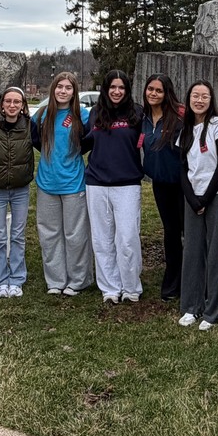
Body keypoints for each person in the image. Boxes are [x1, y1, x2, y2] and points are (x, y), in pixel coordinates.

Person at [31, 71, 94, 296]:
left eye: (68, 88)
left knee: (75, 234)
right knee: (49, 234)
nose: (63, 91)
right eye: (60, 87)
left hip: (73, 183)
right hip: (47, 183)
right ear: (53, 89)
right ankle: (56, 280)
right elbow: (35, 140)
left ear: (74, 92)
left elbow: (91, 140)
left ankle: (79, 279)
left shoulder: (83, 116)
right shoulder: (41, 115)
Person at [85, 69, 145, 304]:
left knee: (128, 237)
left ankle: (131, 287)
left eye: (121, 87)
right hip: (97, 182)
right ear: (106, 89)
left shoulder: (137, 113)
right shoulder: (95, 113)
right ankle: (110, 287)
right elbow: (84, 140)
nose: (117, 91)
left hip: (127, 183)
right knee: (102, 238)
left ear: (127, 90)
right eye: (113, 87)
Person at [176, 80, 218, 331]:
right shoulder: (185, 128)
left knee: (216, 252)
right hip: (192, 197)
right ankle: (191, 306)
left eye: (204, 96)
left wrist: (206, 198)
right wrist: (192, 198)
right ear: (188, 99)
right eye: (195, 95)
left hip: (216, 195)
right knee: (192, 251)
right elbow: (183, 167)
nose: (199, 100)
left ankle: (212, 310)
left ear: (211, 100)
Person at [0, 87, 35, 299]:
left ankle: (16, 279)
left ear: (23, 105)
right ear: (2, 104)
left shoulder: (29, 126)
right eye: (8, 101)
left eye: (17, 102)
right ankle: (1, 280)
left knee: (17, 236)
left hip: (20, 189)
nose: (12, 105)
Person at [141, 73, 185, 302]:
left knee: (187, 232)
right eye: (150, 89)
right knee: (170, 232)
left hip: (182, 184)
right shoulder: (144, 117)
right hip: (160, 184)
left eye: (158, 90)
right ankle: (172, 280)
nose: (153, 94)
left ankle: (192, 280)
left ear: (166, 93)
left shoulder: (179, 117)